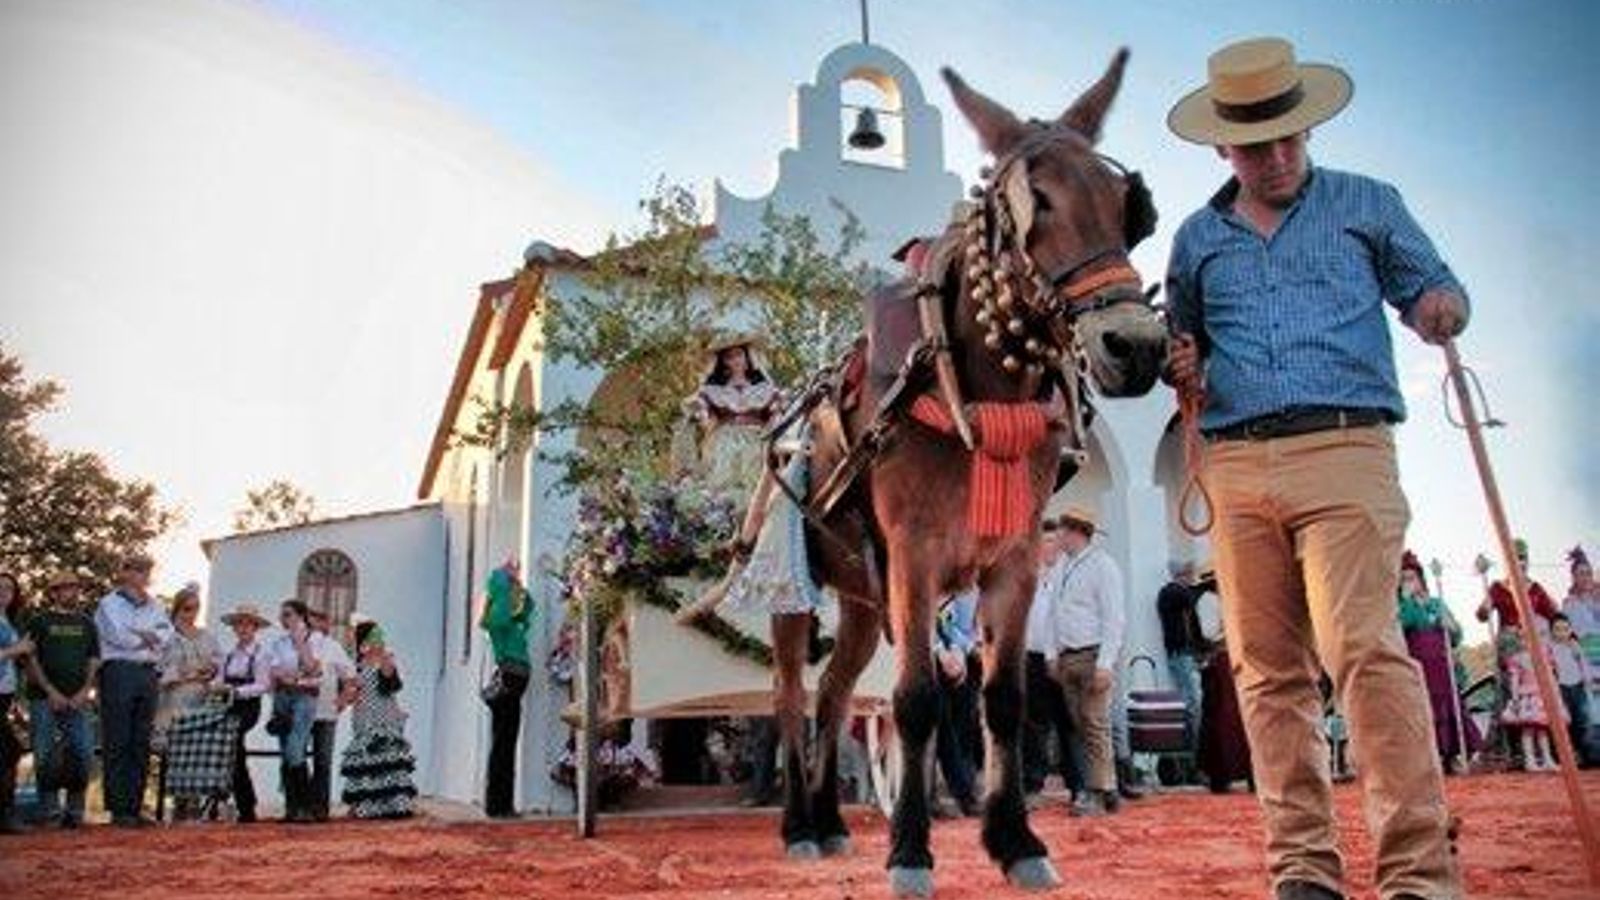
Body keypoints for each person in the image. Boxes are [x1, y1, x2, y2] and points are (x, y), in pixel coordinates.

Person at [1164, 37, 1468, 899]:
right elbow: (1189, 345)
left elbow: (1434, 287)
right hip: (1233, 458)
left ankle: (1418, 870)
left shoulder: (1370, 203)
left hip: (1348, 446)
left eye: (1291, 137)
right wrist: (1181, 365)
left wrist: (1442, 309)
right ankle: (1302, 868)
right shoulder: (1195, 239)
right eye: (1258, 144)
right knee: (1264, 669)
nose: (1280, 156)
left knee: (1361, 649)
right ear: (1224, 146)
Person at [1041, 504, 1124, 818]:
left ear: (1075, 532)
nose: (1058, 535)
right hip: (1068, 657)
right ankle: (1108, 786)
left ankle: (1097, 790)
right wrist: (1052, 654)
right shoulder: (1062, 566)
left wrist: (1106, 662)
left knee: (1094, 723)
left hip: (1092, 654)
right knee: (1080, 724)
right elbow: (1052, 613)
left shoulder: (1103, 566)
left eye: (1062, 529)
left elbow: (1114, 618)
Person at [95, 554, 173, 827]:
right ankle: (118, 809)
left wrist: (143, 636)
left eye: (146, 570)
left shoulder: (157, 605)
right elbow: (119, 636)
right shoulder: (109, 603)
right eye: (137, 569)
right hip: (118, 670)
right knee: (118, 738)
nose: (142, 575)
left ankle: (135, 806)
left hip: (148, 673)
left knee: (141, 741)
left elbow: (166, 637)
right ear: (124, 572)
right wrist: (147, 637)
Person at [24, 571, 99, 829]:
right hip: (43, 699)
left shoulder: (87, 623)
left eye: (75, 588)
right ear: (53, 593)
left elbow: (93, 659)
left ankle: (75, 810)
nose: (73, 592)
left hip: (78, 700)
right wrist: (50, 691)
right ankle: (50, 810)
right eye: (66, 588)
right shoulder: (39, 621)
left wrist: (84, 692)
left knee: (84, 752)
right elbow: (30, 660)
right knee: (44, 753)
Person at [1396, 552, 1479, 772]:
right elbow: (1401, 627)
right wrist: (1405, 600)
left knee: (1449, 706)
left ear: (1421, 579)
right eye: (1403, 578)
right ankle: (1428, 761)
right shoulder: (1400, 606)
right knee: (1424, 709)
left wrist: (1449, 625)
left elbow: (1456, 635)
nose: (1409, 582)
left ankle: (1451, 756)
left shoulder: (1436, 603)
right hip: (1418, 665)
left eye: (1412, 577)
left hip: (1442, 665)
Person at [674, 336, 783, 499]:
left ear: (747, 356)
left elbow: (775, 414)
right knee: (724, 486)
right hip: (725, 443)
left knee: (757, 483)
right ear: (723, 362)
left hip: (758, 441)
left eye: (739, 354)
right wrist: (698, 409)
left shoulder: (765, 389)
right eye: (729, 357)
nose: (735, 360)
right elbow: (702, 412)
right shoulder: (714, 390)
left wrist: (778, 410)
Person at [1022, 527, 1084, 802]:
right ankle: (1033, 784)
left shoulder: (1073, 578)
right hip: (1032, 658)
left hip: (1065, 657)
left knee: (1070, 721)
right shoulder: (1026, 580)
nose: (1049, 547)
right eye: (1044, 541)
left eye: (1053, 542)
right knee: (1035, 724)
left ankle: (1079, 785)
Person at [157, 583, 228, 821]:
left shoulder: (207, 637)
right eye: (187, 608)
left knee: (197, 751)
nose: (192, 613)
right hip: (174, 700)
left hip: (201, 699)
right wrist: (183, 673)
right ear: (177, 609)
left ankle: (194, 803)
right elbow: (158, 671)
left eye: (196, 608)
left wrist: (211, 671)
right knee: (175, 753)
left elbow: (220, 665)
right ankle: (177, 803)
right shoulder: (166, 638)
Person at [340, 621, 416, 819]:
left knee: (387, 758)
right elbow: (350, 694)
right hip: (364, 718)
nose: (379, 641)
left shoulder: (385, 661)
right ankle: (365, 805)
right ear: (364, 642)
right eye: (374, 637)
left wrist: (385, 659)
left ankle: (392, 805)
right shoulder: (354, 667)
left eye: (380, 636)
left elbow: (391, 684)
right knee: (366, 761)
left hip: (385, 717)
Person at [480, 559, 532, 818]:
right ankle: (497, 805)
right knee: (503, 745)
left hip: (516, 683)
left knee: (506, 744)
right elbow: (500, 600)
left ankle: (501, 804)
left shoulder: (513, 622)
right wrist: (502, 574)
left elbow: (527, 606)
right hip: (509, 682)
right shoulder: (498, 622)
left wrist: (517, 583)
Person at [213, 603, 273, 822]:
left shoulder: (261, 654)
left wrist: (237, 691)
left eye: (248, 623)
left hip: (248, 706)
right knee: (232, 750)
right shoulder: (228, 655)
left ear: (255, 627)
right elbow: (219, 678)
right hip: (226, 705)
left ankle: (245, 804)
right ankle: (243, 804)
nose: (243, 628)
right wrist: (217, 686)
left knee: (234, 742)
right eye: (239, 623)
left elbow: (263, 685)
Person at [268, 599, 322, 823]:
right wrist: (287, 675)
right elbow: (275, 670)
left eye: (288, 614)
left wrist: (300, 643)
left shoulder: (316, 639)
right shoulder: (279, 642)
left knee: (295, 749)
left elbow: (312, 667)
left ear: (301, 616)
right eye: (282, 615)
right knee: (286, 752)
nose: (284, 619)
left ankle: (306, 807)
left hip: (305, 697)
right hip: (282, 697)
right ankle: (292, 808)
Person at [932, 588, 980, 817]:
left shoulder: (969, 590)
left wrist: (960, 653)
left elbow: (964, 627)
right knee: (940, 726)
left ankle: (966, 792)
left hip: (960, 660)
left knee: (963, 726)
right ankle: (954, 795)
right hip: (924, 659)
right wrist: (940, 651)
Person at [306, 607, 356, 822]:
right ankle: (299, 805)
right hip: (300, 711)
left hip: (325, 711)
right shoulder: (297, 644)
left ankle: (319, 809)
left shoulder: (333, 647)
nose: (319, 625)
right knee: (296, 759)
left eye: (322, 620)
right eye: (314, 620)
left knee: (322, 761)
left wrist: (342, 701)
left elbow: (350, 676)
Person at [1156, 560, 1206, 769]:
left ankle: (1196, 753)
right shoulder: (1171, 593)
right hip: (1180, 653)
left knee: (1194, 702)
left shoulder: (1178, 594)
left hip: (1185, 653)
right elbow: (1189, 597)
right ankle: (1192, 754)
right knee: (1191, 703)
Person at [0, 572, 36, 833]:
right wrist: (18, 649)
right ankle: (5, 816)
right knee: (9, 750)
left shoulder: (7, 621)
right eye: (0, 588)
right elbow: (12, 653)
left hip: (5, 697)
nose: (4, 592)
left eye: (9, 589)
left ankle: (6, 814)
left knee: (8, 750)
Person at [1500, 627, 1560, 771]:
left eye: (1531, 638)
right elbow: (1514, 680)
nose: (1528, 642)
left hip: (1542, 695)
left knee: (1543, 729)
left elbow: (1550, 675)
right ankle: (1530, 759)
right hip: (1527, 696)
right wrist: (1515, 698)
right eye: (1524, 638)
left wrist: (1554, 690)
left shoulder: (1543, 655)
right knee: (1528, 729)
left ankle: (1547, 759)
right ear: (1520, 641)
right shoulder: (1518, 658)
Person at [1476, 539, 1559, 638]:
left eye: (1523, 558)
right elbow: (1481, 615)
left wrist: (1555, 610)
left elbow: (1554, 617)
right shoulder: (1497, 588)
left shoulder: (1536, 589)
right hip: (1510, 644)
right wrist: (1484, 610)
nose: (1520, 563)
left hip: (1534, 643)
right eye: (1515, 559)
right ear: (1507, 562)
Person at [1549, 614, 1598, 766]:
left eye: (1565, 629)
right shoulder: (1550, 648)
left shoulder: (1575, 646)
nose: (1562, 633)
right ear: (1552, 631)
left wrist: (1587, 681)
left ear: (1570, 630)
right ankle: (1570, 756)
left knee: (1583, 721)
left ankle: (1589, 755)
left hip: (1578, 687)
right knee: (1565, 723)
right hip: (1561, 688)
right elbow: (1550, 668)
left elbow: (1584, 666)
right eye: (1557, 629)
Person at [1562, 547, 1600, 704]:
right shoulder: (1569, 604)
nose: (1586, 578)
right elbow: (1567, 637)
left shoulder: (1598, 600)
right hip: (1586, 664)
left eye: (1588, 573)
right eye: (1581, 574)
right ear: (1573, 577)